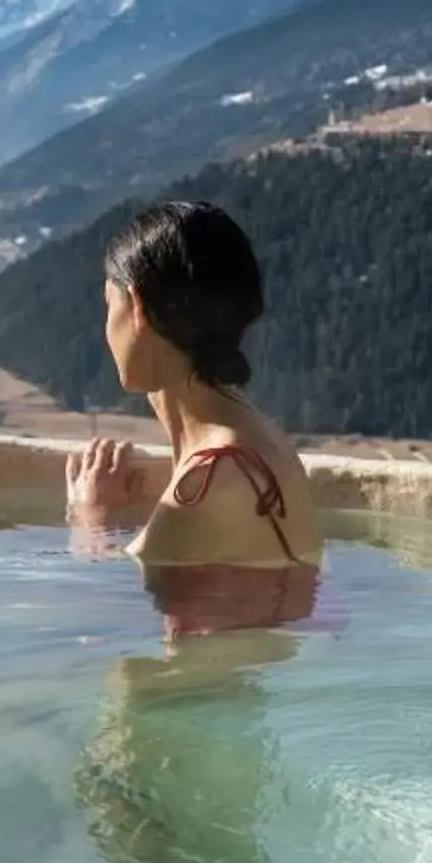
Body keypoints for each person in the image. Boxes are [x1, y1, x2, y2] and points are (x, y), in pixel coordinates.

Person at [63, 200, 320, 635]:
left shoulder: (204, 488)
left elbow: (106, 622)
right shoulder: (259, 435)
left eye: (110, 305)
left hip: (199, 697)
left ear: (138, 309)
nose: (108, 327)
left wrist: (92, 520)